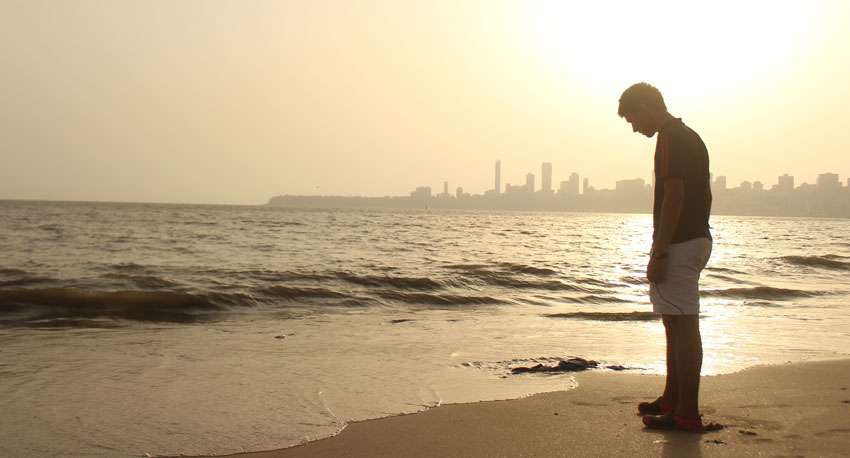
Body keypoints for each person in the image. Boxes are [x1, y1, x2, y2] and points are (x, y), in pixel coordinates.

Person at [618, 82, 719, 432]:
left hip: (680, 241)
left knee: (683, 324)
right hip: (694, 238)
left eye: (632, 118)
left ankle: (686, 413)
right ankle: (673, 400)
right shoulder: (686, 135)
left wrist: (660, 250)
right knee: (674, 322)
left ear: (647, 107)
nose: (633, 127)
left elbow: (673, 196)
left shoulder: (670, 138)